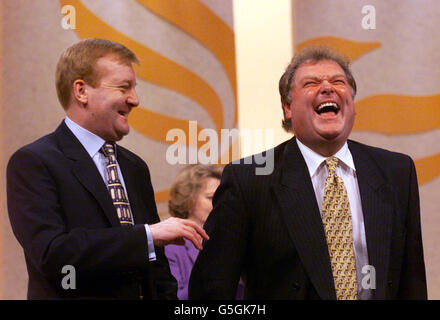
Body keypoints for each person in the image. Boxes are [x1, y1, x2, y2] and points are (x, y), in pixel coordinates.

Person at [189, 46, 427, 300]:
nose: (328, 88)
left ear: (352, 103)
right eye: (311, 83)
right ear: (288, 108)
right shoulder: (248, 179)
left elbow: (411, 280)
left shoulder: (396, 171)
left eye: (338, 81)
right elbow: (211, 288)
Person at [6, 38, 208, 300]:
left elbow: (157, 269)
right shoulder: (34, 163)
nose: (135, 100)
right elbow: (53, 254)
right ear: (81, 91)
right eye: (124, 87)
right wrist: (146, 235)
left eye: (134, 88)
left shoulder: (134, 167)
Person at [164, 164, 222, 299]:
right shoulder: (171, 246)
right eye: (211, 197)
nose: (219, 203)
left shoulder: (230, 241)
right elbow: (173, 295)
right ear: (189, 198)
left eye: (222, 197)